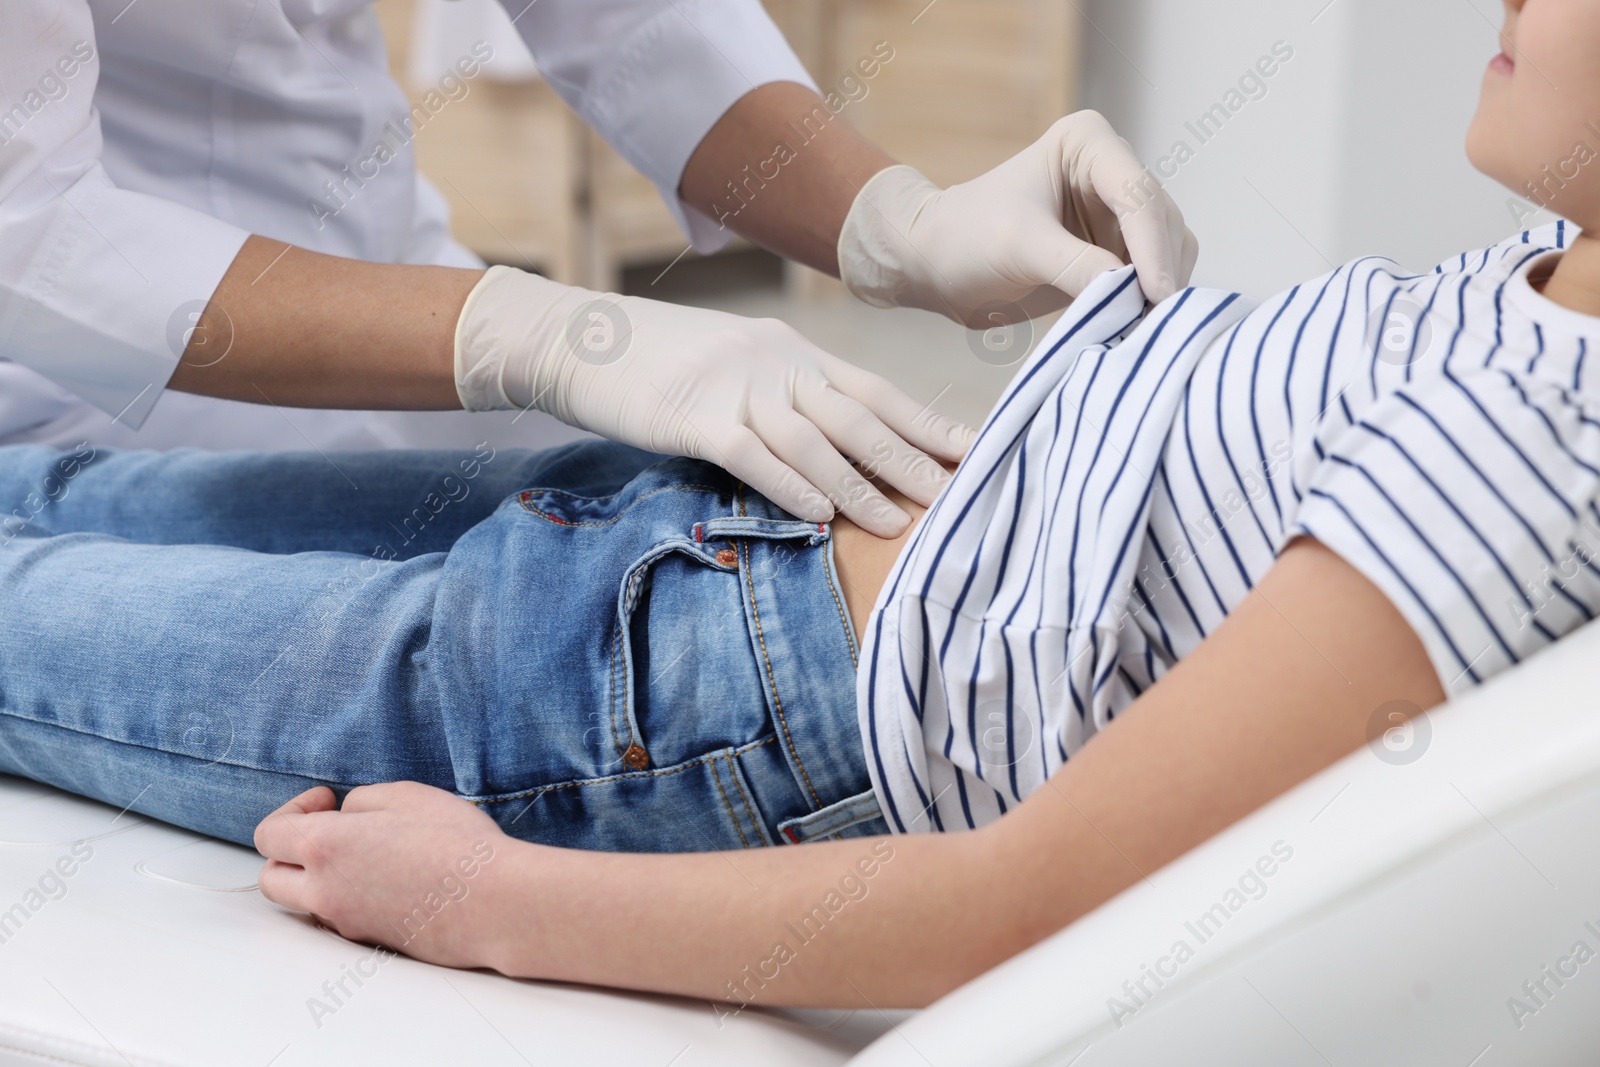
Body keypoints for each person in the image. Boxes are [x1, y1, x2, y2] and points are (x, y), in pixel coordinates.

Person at [0, 0, 1583, 1015]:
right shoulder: (1524, 290)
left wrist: (496, 901)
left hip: (671, 697)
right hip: (680, 551)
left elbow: (1029, 900)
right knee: (59, 498)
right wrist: (536, 333)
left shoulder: (1542, 435)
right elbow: (29, 233)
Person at [0, 0, 1195, 534]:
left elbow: (622, 17)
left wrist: (897, 223)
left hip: (378, 258)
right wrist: (527, 333)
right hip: (104, 410)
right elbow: (28, 253)